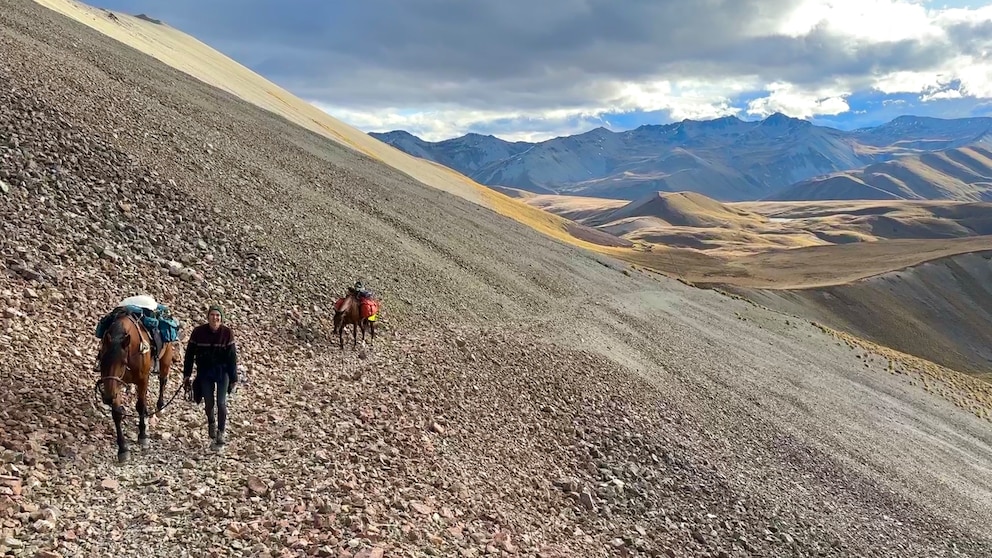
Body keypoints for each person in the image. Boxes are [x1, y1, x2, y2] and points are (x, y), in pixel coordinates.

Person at [182, 305, 238, 449]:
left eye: (218, 316)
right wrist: (186, 375)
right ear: (208, 317)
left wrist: (233, 378)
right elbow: (189, 355)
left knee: (221, 402)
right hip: (205, 372)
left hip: (222, 372)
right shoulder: (198, 332)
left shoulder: (227, 333)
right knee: (208, 403)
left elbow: (232, 358)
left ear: (221, 318)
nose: (215, 318)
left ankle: (221, 432)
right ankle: (211, 421)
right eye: (212, 315)